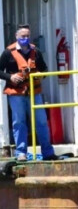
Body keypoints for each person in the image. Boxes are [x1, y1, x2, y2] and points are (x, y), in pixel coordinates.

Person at [0, 24, 61, 161]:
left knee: (42, 122)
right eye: (23, 36)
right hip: (16, 94)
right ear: (17, 37)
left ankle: (48, 152)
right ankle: (21, 153)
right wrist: (10, 77)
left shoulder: (36, 51)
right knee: (19, 122)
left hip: (34, 92)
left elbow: (44, 69)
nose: (25, 39)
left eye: (27, 36)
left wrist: (41, 74)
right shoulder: (8, 53)